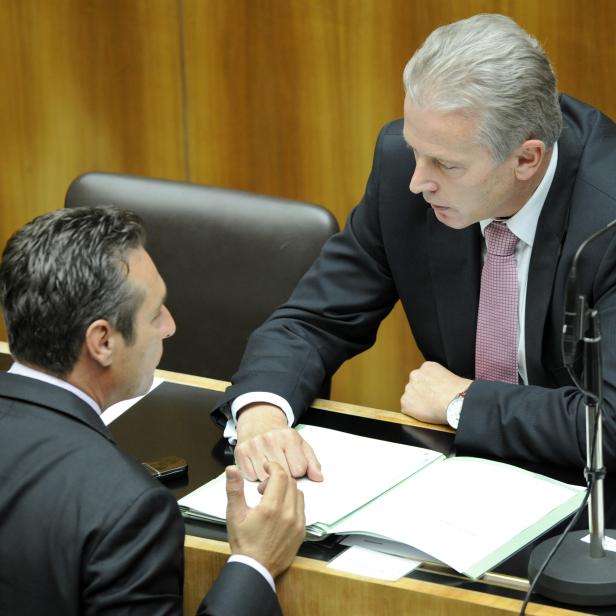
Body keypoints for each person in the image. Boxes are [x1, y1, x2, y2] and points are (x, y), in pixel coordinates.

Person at [211, 13, 616, 480]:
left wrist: (463, 403)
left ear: (526, 158)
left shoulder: (607, 220)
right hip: (461, 479)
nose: (418, 181)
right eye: (415, 150)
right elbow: (313, 320)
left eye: (446, 165)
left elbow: (607, 422)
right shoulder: (406, 171)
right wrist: (262, 412)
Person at [0, 207, 305, 615]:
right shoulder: (127, 510)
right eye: (155, 311)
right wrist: (254, 565)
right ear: (103, 341)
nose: (170, 327)